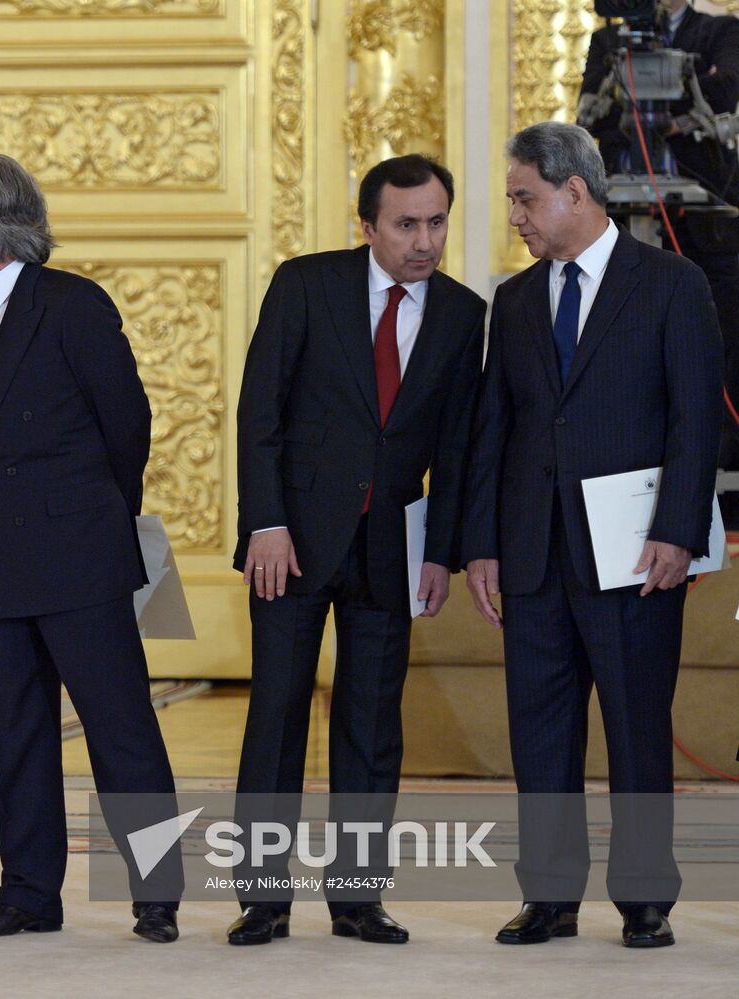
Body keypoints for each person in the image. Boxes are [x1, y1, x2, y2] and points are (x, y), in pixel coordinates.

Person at [463, 121, 723, 948]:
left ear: (575, 191)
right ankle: (550, 896)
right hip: (533, 556)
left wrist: (679, 530)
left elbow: (696, 423)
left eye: (524, 198)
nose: (515, 216)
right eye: (512, 200)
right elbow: (492, 431)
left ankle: (645, 898)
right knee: (540, 734)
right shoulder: (513, 299)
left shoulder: (673, 285)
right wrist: (483, 544)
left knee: (637, 728)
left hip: (635, 555)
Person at [228, 154, 486, 946]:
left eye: (437, 221)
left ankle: (357, 897)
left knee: (373, 724)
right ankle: (263, 898)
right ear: (368, 225)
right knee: (276, 715)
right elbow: (258, 412)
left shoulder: (460, 311)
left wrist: (439, 553)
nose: (425, 240)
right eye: (406, 224)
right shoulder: (306, 284)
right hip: (293, 542)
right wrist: (264, 523)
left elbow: (457, 446)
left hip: (390, 550)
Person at [0, 152, 182, 943]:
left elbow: (126, 428)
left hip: (79, 553)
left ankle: (157, 892)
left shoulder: (73, 304)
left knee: (120, 727)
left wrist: (95, 519)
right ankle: (29, 893)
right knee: (16, 732)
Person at [580, 0, 739, 517]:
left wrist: (673, 101)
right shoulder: (610, 39)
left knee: (714, 343)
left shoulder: (718, 31)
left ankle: (719, 472)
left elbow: (725, 91)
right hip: (627, 215)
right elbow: (590, 115)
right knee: (631, 343)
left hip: (706, 220)